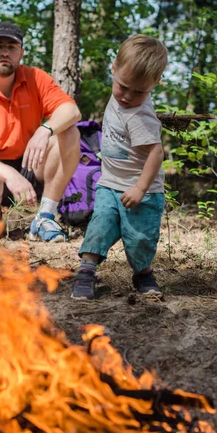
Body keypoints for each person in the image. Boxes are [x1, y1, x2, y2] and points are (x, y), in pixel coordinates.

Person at [0, 21, 81, 242]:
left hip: (29, 165)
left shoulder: (35, 78)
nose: (4, 52)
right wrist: (8, 174)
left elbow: (71, 110)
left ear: (21, 52)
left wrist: (45, 129)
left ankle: (45, 217)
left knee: (69, 133)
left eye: (11, 47)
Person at [71, 34, 168, 299]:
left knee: (139, 239)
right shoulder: (121, 95)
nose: (127, 96)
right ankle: (86, 271)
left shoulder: (140, 115)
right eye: (123, 86)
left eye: (139, 92)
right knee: (99, 226)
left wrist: (139, 188)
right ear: (113, 69)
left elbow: (156, 153)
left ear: (155, 84)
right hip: (109, 184)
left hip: (142, 191)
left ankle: (143, 273)